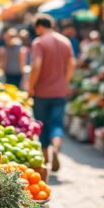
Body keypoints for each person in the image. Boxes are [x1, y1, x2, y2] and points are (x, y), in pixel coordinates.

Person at [28, 14, 75, 172]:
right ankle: (56, 148)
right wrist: (65, 81)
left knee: (42, 124)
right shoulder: (65, 41)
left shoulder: (39, 42)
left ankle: (46, 156)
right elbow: (72, 64)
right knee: (56, 123)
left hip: (42, 91)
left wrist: (30, 86)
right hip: (59, 91)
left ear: (40, 26)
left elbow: (36, 65)